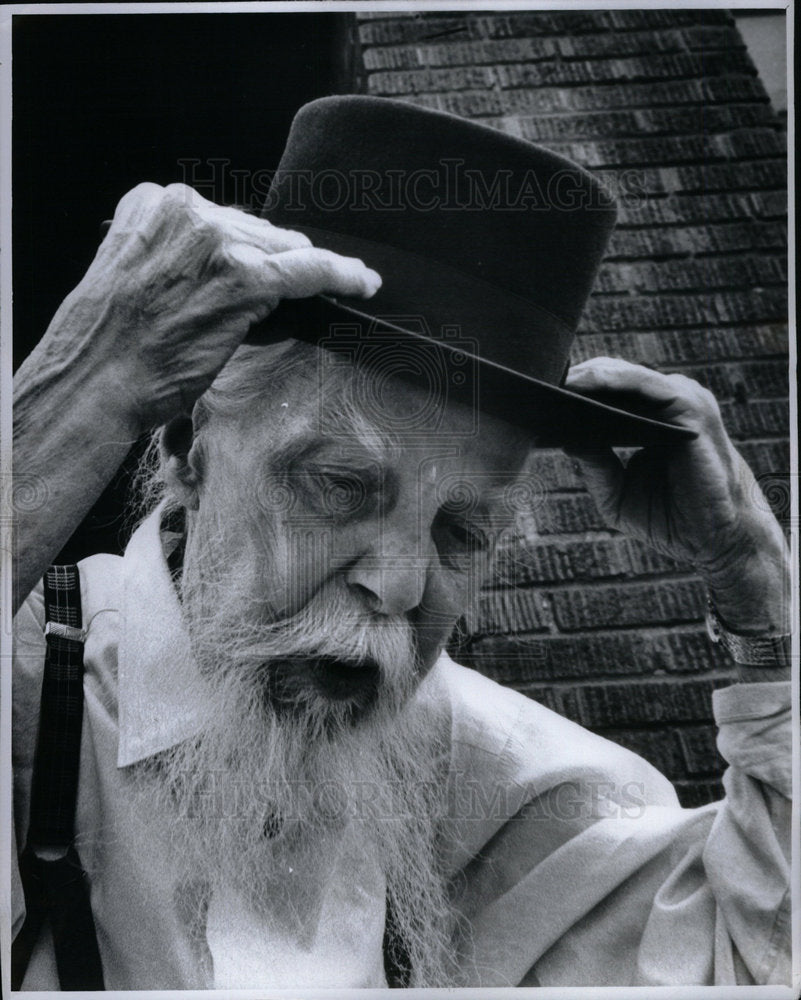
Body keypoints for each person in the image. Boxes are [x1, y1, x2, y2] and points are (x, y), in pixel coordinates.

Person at [11, 96, 792, 989]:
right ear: (192, 450)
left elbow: (750, 960)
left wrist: (759, 596)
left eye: (461, 531)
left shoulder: (487, 772)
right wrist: (87, 383)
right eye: (340, 485)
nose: (399, 584)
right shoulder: (33, 679)